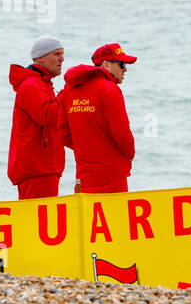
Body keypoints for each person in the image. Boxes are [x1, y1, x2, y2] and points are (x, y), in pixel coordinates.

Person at [58, 43, 137, 193]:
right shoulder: (109, 89)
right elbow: (122, 134)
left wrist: (86, 148)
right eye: (122, 64)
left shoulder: (69, 89)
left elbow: (62, 133)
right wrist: (129, 155)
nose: (125, 69)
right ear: (106, 65)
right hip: (112, 175)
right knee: (114, 216)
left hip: (83, 176)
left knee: (86, 216)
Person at [7, 36, 67, 199]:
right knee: (38, 222)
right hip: (37, 169)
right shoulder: (32, 84)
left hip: (42, 168)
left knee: (39, 221)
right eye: (56, 54)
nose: (61, 59)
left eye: (62, 54)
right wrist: (67, 93)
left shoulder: (41, 82)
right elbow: (47, 116)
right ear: (40, 58)